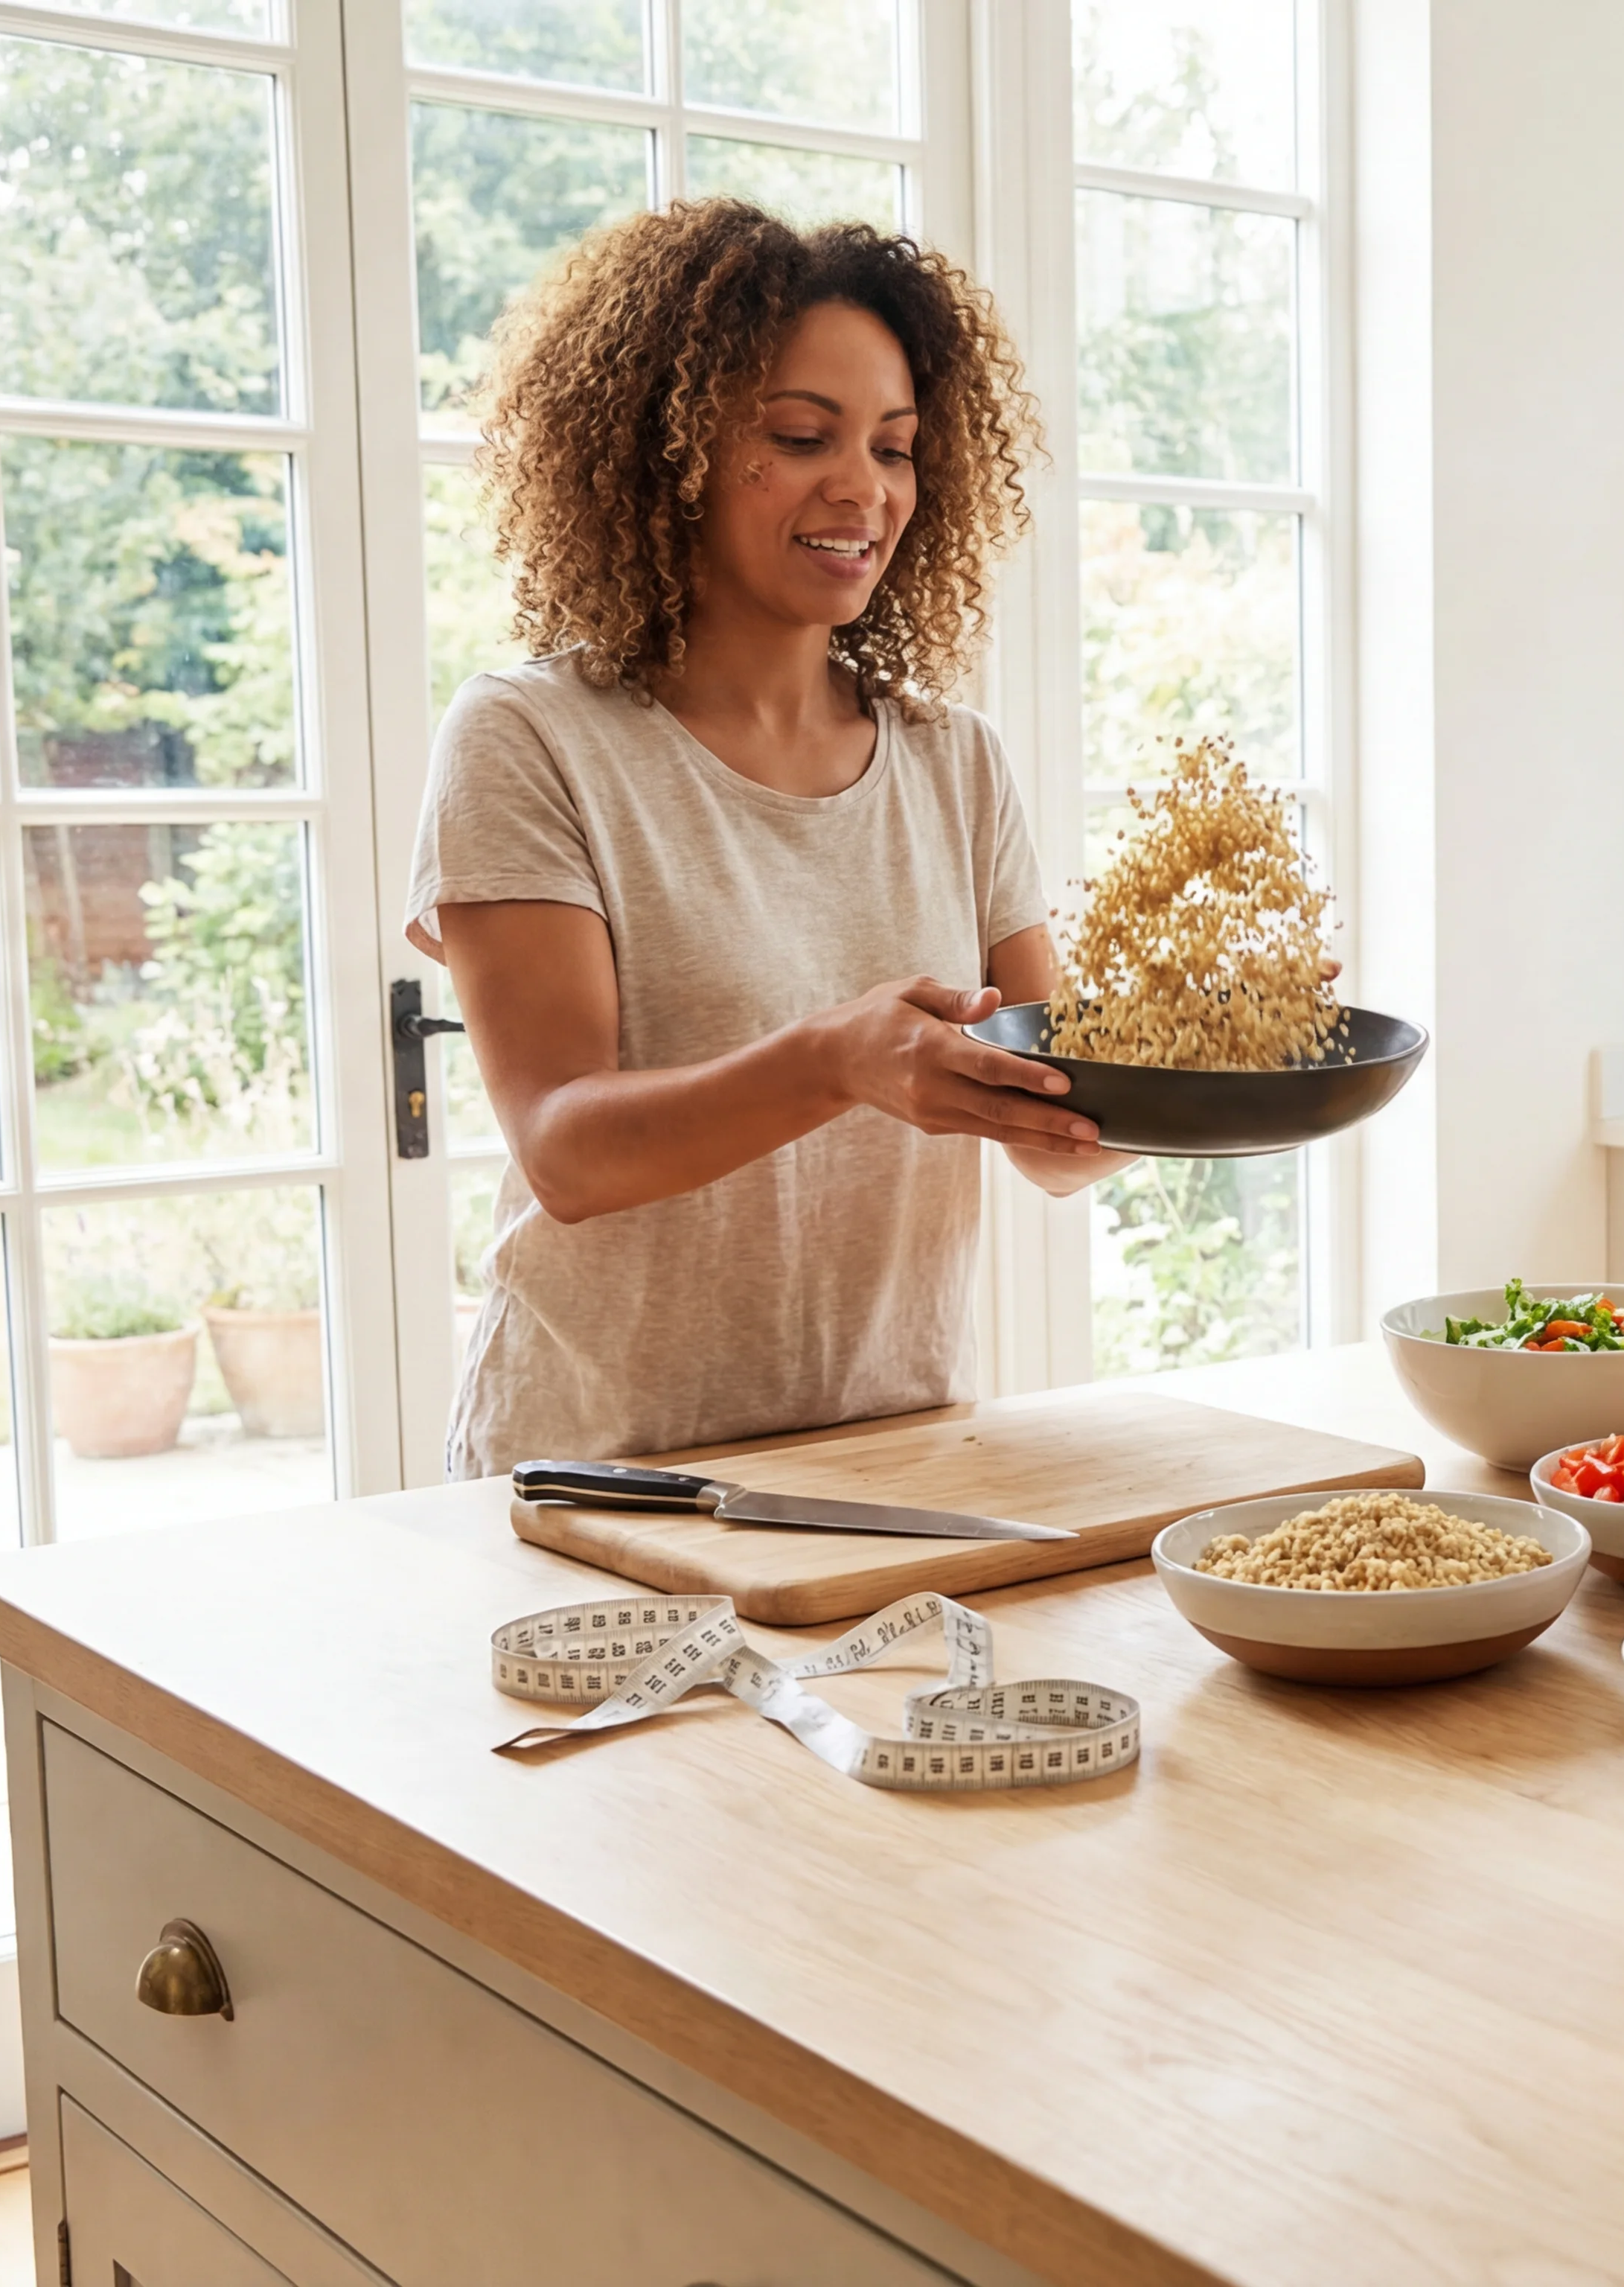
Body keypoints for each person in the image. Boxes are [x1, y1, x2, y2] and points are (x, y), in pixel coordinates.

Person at [407, 202, 1122, 1478]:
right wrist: (838, 1062)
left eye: (895, 449)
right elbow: (563, 1148)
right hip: (601, 1482)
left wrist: (1192, 1066)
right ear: (661, 450)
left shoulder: (954, 760)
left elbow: (1057, 1140)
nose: (863, 489)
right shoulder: (529, 738)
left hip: (890, 1470)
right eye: (801, 437)